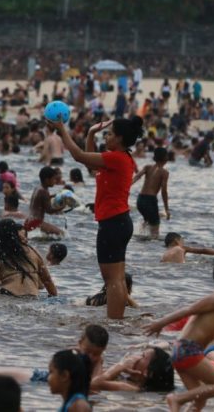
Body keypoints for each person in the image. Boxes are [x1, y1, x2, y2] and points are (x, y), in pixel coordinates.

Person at [48, 117, 143, 319]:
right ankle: (117, 322)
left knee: (113, 281)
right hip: (119, 222)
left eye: (109, 133)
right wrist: (90, 134)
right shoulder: (120, 158)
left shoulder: (116, 159)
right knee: (116, 279)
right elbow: (90, 161)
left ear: (119, 138)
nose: (105, 136)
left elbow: (79, 155)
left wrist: (62, 130)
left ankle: (115, 322)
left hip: (113, 223)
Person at [143, 257, 214, 411]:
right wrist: (160, 323)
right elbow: (189, 310)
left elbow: (207, 325)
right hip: (188, 350)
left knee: (199, 399)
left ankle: (177, 404)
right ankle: (177, 399)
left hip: (181, 351)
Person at [0, 219, 57, 297]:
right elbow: (47, 280)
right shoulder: (33, 252)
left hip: (8, 294)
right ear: (16, 233)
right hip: (32, 296)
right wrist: (54, 296)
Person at [132, 147, 170, 238]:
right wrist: (167, 209)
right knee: (155, 231)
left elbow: (136, 177)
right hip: (150, 200)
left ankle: (139, 238)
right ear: (165, 158)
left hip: (140, 200)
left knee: (147, 220)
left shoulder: (147, 167)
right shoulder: (164, 172)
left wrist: (125, 187)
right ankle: (151, 249)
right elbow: (164, 192)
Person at [24, 166, 64, 235]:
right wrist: (62, 207)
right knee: (61, 234)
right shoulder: (44, 191)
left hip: (28, 221)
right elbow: (49, 210)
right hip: (35, 223)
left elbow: (40, 200)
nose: (55, 181)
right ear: (47, 180)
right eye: (54, 179)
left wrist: (52, 196)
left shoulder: (38, 188)